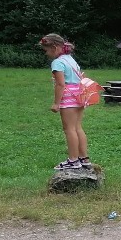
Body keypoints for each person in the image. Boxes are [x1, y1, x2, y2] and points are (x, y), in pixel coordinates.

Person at [40, 34, 93, 170]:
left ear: (54, 47)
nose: (46, 53)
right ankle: (84, 158)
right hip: (79, 97)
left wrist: (56, 103)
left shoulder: (57, 62)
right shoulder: (70, 59)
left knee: (69, 129)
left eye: (46, 50)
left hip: (68, 98)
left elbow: (60, 84)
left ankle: (73, 160)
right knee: (77, 128)